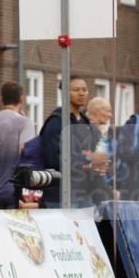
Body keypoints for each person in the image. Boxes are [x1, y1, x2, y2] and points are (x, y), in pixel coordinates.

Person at [38, 75, 90, 206]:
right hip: (60, 195)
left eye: (84, 89)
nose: (82, 93)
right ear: (65, 93)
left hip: (84, 193)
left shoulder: (86, 121)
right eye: (76, 90)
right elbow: (54, 159)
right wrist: (88, 160)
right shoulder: (56, 122)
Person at [0, 82, 34, 208]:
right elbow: (25, 151)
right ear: (21, 99)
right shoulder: (25, 123)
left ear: (1, 99)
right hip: (12, 190)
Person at [70, 97, 114, 207]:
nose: (110, 115)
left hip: (91, 188)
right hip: (78, 190)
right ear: (96, 111)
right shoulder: (85, 129)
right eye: (108, 111)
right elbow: (76, 158)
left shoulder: (99, 130)